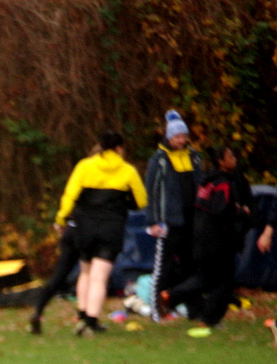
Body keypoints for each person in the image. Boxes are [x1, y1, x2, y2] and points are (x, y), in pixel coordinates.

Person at [48, 131, 147, 336]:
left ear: (100, 147)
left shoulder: (85, 166)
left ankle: (82, 314)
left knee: (85, 271)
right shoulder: (128, 170)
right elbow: (141, 201)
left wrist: (60, 219)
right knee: (99, 277)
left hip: (85, 227)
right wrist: (122, 202)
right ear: (119, 148)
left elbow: (69, 196)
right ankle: (92, 320)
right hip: (111, 228)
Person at [161, 146, 254, 332]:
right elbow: (221, 212)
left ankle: (172, 295)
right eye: (230, 155)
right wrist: (241, 213)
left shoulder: (206, 181)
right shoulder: (223, 183)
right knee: (224, 282)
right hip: (217, 240)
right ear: (221, 161)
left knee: (205, 278)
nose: (234, 159)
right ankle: (209, 319)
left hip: (201, 238)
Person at [143, 110, 204, 308]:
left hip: (191, 219)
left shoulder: (194, 157)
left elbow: (200, 185)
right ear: (169, 137)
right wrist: (152, 221)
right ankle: (155, 307)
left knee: (191, 264)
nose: (182, 140)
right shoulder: (159, 160)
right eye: (178, 136)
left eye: (184, 136)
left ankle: (192, 306)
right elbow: (151, 192)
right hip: (169, 221)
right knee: (164, 266)